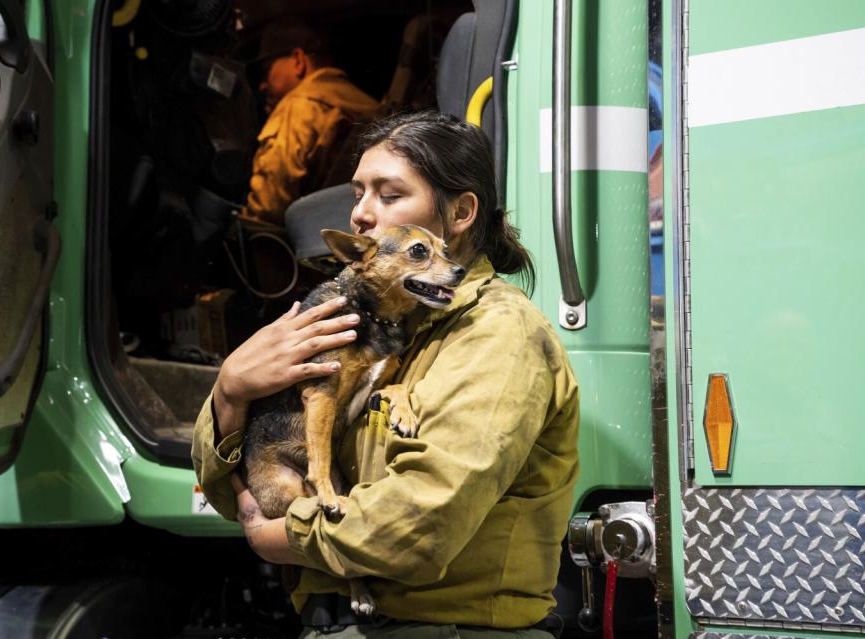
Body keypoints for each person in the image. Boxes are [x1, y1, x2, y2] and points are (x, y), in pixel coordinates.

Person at [192, 111, 580, 637]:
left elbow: (423, 526)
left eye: (389, 195)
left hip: (445, 628)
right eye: (358, 194)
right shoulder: (374, 323)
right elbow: (235, 495)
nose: (361, 215)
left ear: (461, 212)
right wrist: (232, 389)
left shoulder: (498, 335)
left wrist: (282, 538)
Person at [243, 18, 380, 225]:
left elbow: (269, 207)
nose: (263, 85)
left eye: (267, 70)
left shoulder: (298, 105)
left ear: (298, 61)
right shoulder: (365, 104)